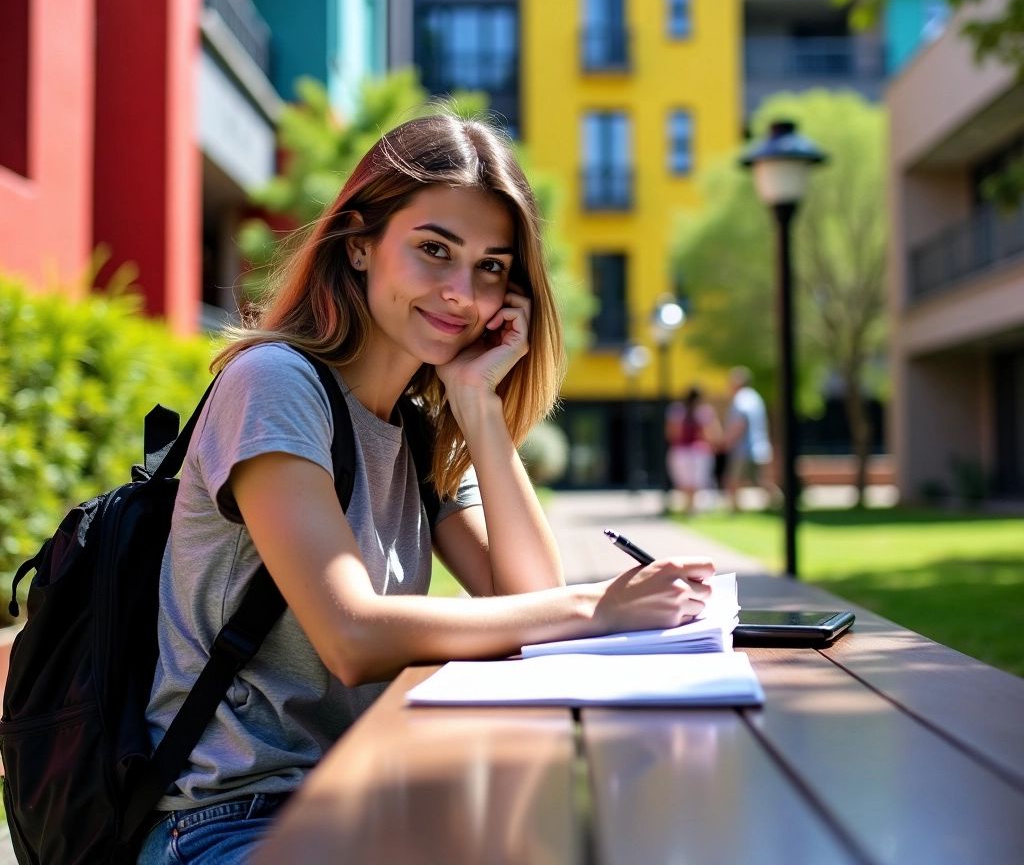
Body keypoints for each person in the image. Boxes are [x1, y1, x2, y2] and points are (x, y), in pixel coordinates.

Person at [138, 115, 714, 865]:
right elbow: (353, 636)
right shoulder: (273, 385)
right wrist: (597, 605)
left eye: (491, 267)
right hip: (229, 822)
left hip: (359, 798)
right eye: (434, 250)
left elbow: (523, 593)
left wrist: (476, 404)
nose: (462, 294)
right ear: (359, 244)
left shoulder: (416, 431)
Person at [721, 366, 774, 511]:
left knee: (733, 480)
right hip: (761, 446)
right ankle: (776, 503)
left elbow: (739, 423)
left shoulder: (741, 399)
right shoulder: (756, 397)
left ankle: (734, 509)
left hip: (743, 448)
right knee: (763, 480)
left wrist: (727, 440)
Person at [665, 385, 721, 514]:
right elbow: (711, 433)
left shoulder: (676, 410)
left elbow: (671, 434)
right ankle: (690, 508)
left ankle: (688, 507)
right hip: (698, 451)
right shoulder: (704, 411)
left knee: (685, 482)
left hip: (681, 451)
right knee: (695, 482)